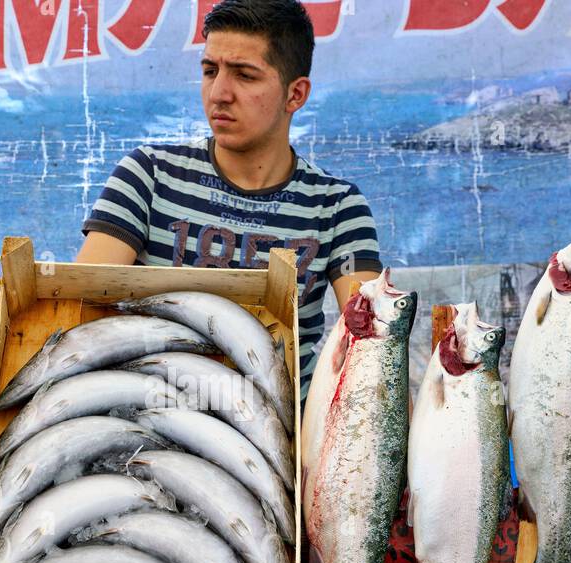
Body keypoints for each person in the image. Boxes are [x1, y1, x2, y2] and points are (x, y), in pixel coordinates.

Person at [77, 0, 382, 394]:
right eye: (210, 71)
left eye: (245, 76)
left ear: (296, 94)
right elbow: (82, 307)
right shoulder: (148, 174)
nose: (219, 93)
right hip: (144, 423)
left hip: (279, 435)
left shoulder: (338, 207)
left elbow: (374, 344)